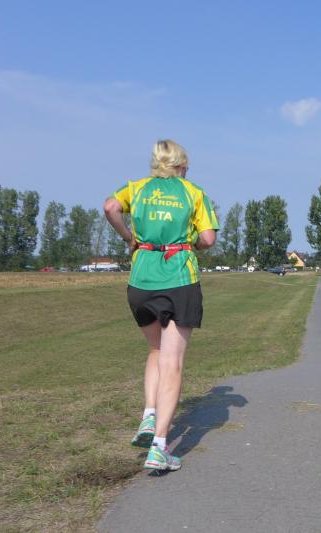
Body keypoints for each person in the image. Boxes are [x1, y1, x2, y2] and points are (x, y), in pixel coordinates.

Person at [104, 139, 219, 471]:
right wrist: (192, 243)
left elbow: (110, 207)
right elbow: (208, 238)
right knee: (173, 363)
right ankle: (159, 447)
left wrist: (129, 238)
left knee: (155, 350)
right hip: (179, 280)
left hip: (141, 281)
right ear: (181, 166)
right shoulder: (193, 192)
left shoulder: (137, 188)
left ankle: (148, 415)